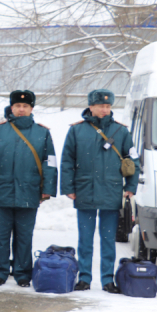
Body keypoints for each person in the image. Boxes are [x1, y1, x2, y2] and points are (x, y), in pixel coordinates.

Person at [60, 89, 137, 293]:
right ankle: (84, 278)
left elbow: (133, 160)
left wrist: (130, 186)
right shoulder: (76, 131)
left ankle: (107, 279)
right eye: (101, 106)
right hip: (84, 190)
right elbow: (67, 160)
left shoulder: (121, 131)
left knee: (108, 239)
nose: (105, 109)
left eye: (108, 106)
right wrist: (68, 187)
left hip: (111, 191)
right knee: (85, 239)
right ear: (91, 106)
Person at [0, 90, 58, 287]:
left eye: (25, 106)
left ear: (31, 109)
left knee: (24, 237)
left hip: (29, 191)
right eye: (17, 106)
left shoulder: (42, 132)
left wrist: (48, 188)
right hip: (2, 191)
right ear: (11, 108)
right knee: (2, 237)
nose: (21, 109)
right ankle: (0, 273)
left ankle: (22, 274)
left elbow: (50, 162)